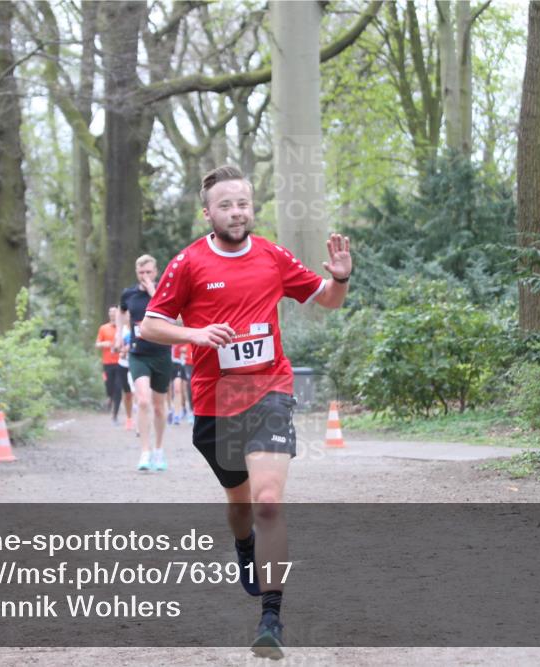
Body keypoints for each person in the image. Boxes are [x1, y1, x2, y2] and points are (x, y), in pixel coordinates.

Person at [140, 165, 352, 659]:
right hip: (217, 401)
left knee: (270, 501)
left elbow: (327, 301)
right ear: (209, 212)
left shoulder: (271, 255)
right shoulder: (188, 263)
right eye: (226, 205)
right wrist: (193, 334)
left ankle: (271, 619)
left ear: (251, 208)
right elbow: (151, 326)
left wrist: (341, 278)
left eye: (243, 203)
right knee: (241, 508)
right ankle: (243, 546)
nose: (236, 212)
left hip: (270, 388)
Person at [120, 254, 174, 471]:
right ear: (136, 273)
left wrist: (154, 292)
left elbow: (171, 317)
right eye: (141, 273)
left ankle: (159, 450)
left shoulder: (164, 291)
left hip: (161, 353)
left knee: (160, 407)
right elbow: (122, 311)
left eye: (149, 272)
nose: (145, 276)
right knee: (143, 400)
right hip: (138, 353)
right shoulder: (129, 294)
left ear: (156, 272)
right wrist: (119, 336)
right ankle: (145, 452)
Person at [96, 306, 123, 424]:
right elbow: (97, 344)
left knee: (118, 388)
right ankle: (110, 398)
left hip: (120, 362)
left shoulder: (122, 329)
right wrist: (104, 343)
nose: (112, 314)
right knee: (109, 387)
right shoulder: (103, 328)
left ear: (118, 314)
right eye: (110, 312)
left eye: (114, 312)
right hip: (107, 363)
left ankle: (115, 415)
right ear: (108, 314)